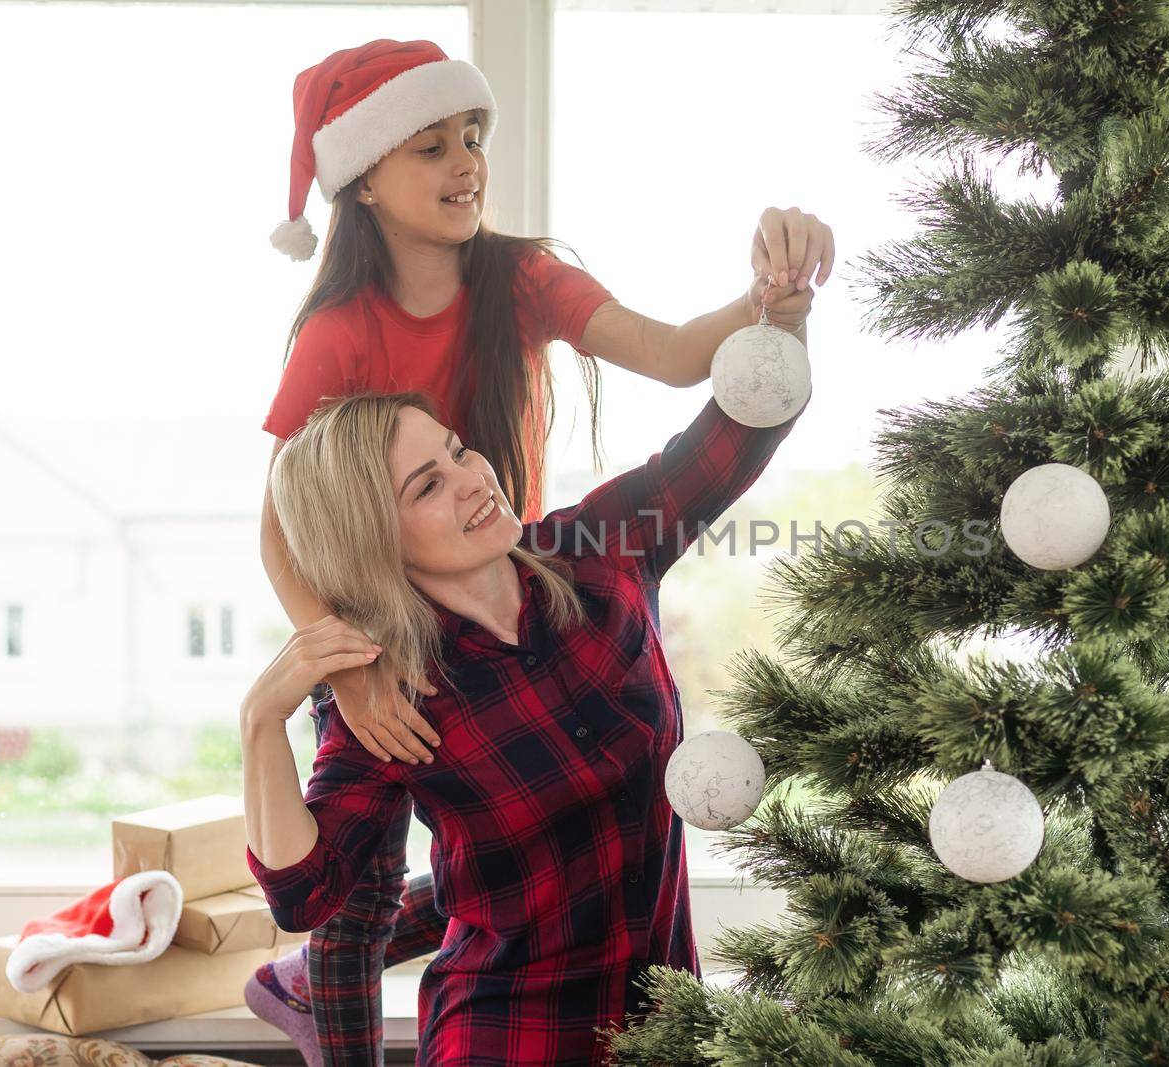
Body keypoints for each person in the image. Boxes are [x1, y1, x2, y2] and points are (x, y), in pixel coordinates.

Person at [246, 36, 827, 1064]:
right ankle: (312, 995)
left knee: (539, 835)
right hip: (389, 643)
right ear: (365, 181)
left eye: (472, 135)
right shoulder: (340, 336)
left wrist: (774, 310)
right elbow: (286, 525)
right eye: (429, 146)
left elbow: (714, 406)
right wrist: (329, 668)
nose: (465, 160)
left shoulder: (592, 552)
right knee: (359, 901)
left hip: (656, 1016)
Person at [241, 379, 809, 1065]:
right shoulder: (388, 692)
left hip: (665, 1029)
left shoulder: (599, 548)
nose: (473, 480)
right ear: (372, 541)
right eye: (427, 486)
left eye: (458, 452)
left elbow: (737, 436)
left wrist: (780, 312)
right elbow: (303, 894)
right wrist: (260, 722)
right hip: (508, 1040)